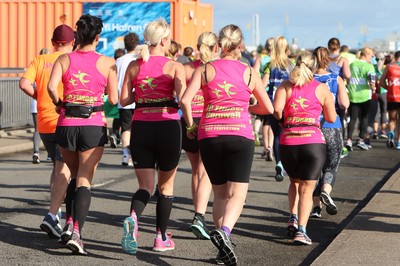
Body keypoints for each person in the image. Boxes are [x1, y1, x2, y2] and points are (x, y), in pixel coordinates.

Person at [180, 24, 273, 265]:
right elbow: (269, 109)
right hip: (239, 135)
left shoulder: (205, 69)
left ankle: (223, 250)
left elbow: (185, 100)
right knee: (238, 195)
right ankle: (226, 233)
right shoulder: (250, 72)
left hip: (209, 134)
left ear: (220, 45)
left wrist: (191, 126)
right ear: (240, 46)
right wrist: (246, 107)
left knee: (220, 193)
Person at [47, 14, 118, 255]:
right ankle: (77, 233)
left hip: (66, 123)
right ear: (98, 37)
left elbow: (50, 87)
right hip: (92, 124)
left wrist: (59, 103)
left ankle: (67, 223)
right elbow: (115, 99)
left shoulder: (64, 59)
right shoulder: (108, 63)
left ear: (78, 35)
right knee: (85, 179)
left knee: (73, 175)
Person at [119, 17, 186, 254]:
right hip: (168, 126)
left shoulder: (134, 65)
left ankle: (134, 219)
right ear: (165, 40)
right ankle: (160, 238)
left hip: (141, 127)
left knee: (145, 186)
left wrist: (144, 94)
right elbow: (184, 99)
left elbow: (124, 100)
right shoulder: (174, 66)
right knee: (166, 187)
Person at [273, 51, 336, 245]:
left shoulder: (285, 86)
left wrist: (286, 122)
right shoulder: (321, 88)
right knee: (307, 190)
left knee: (294, 182)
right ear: (314, 68)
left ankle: (292, 216)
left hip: (289, 141)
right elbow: (332, 118)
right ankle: (301, 230)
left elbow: (276, 110)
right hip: (313, 142)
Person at [19, 24, 74, 239]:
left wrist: (39, 97)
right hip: (64, 121)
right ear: (72, 43)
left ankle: (56, 212)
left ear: (53, 42)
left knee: (57, 166)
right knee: (65, 170)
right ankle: (53, 216)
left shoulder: (40, 60)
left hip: (44, 123)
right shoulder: (71, 60)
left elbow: (24, 83)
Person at [182, 31, 219, 240]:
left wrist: (188, 124)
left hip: (187, 119)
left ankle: (198, 214)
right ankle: (199, 215)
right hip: (206, 119)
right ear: (215, 48)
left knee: (196, 169)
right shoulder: (214, 69)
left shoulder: (187, 68)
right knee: (204, 171)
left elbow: (179, 96)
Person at [310, 47, 349, 218]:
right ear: (329, 60)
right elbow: (344, 104)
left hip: (311, 127)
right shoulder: (336, 78)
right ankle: (326, 189)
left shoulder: (307, 79)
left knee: (312, 169)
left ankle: (315, 208)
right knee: (331, 165)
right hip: (331, 126)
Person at [261, 36, 294, 181]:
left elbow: (262, 85)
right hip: (287, 103)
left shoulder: (269, 65)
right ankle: (286, 162)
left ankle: (279, 162)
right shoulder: (291, 65)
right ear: (287, 48)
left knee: (276, 135)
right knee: (285, 134)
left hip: (272, 103)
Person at [115, 32, 140, 166]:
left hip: (122, 99)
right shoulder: (139, 59)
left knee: (126, 129)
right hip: (136, 98)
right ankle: (136, 155)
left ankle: (126, 155)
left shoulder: (119, 60)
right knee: (137, 129)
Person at [345, 47, 376, 151]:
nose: (371, 58)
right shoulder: (369, 66)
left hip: (353, 95)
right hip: (365, 96)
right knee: (364, 118)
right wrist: (373, 87)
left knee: (352, 119)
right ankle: (360, 140)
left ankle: (349, 140)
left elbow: (347, 78)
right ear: (366, 54)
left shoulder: (352, 64)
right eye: (371, 56)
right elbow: (372, 79)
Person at [379, 50, 400, 150]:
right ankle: (399, 142)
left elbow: (381, 81)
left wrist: (389, 88)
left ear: (395, 57)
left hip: (392, 96)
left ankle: (391, 132)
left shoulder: (389, 66)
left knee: (392, 119)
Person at [369, 52, 388, 139]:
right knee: (380, 111)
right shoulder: (385, 68)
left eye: (381, 59)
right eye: (377, 59)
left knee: (380, 111)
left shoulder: (374, 68)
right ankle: (379, 131)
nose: (379, 61)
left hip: (380, 92)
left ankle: (379, 131)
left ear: (384, 60)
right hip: (380, 92)